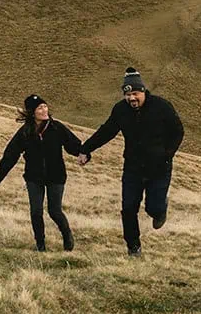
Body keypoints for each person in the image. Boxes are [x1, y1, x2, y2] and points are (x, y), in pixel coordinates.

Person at [78, 67, 183, 257]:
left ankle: (160, 210)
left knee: (154, 207)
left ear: (143, 91)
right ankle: (133, 247)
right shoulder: (120, 110)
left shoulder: (162, 106)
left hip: (159, 168)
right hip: (132, 168)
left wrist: (167, 155)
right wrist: (86, 149)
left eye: (135, 93)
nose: (131, 98)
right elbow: (107, 131)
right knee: (128, 208)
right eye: (128, 95)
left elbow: (177, 131)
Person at [0, 94, 84, 251]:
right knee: (36, 211)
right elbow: (9, 156)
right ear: (32, 112)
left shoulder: (57, 127)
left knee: (54, 211)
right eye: (40, 108)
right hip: (34, 177)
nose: (44, 110)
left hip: (56, 176)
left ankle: (67, 235)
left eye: (45, 106)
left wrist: (83, 154)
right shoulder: (25, 132)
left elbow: (73, 145)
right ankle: (40, 245)